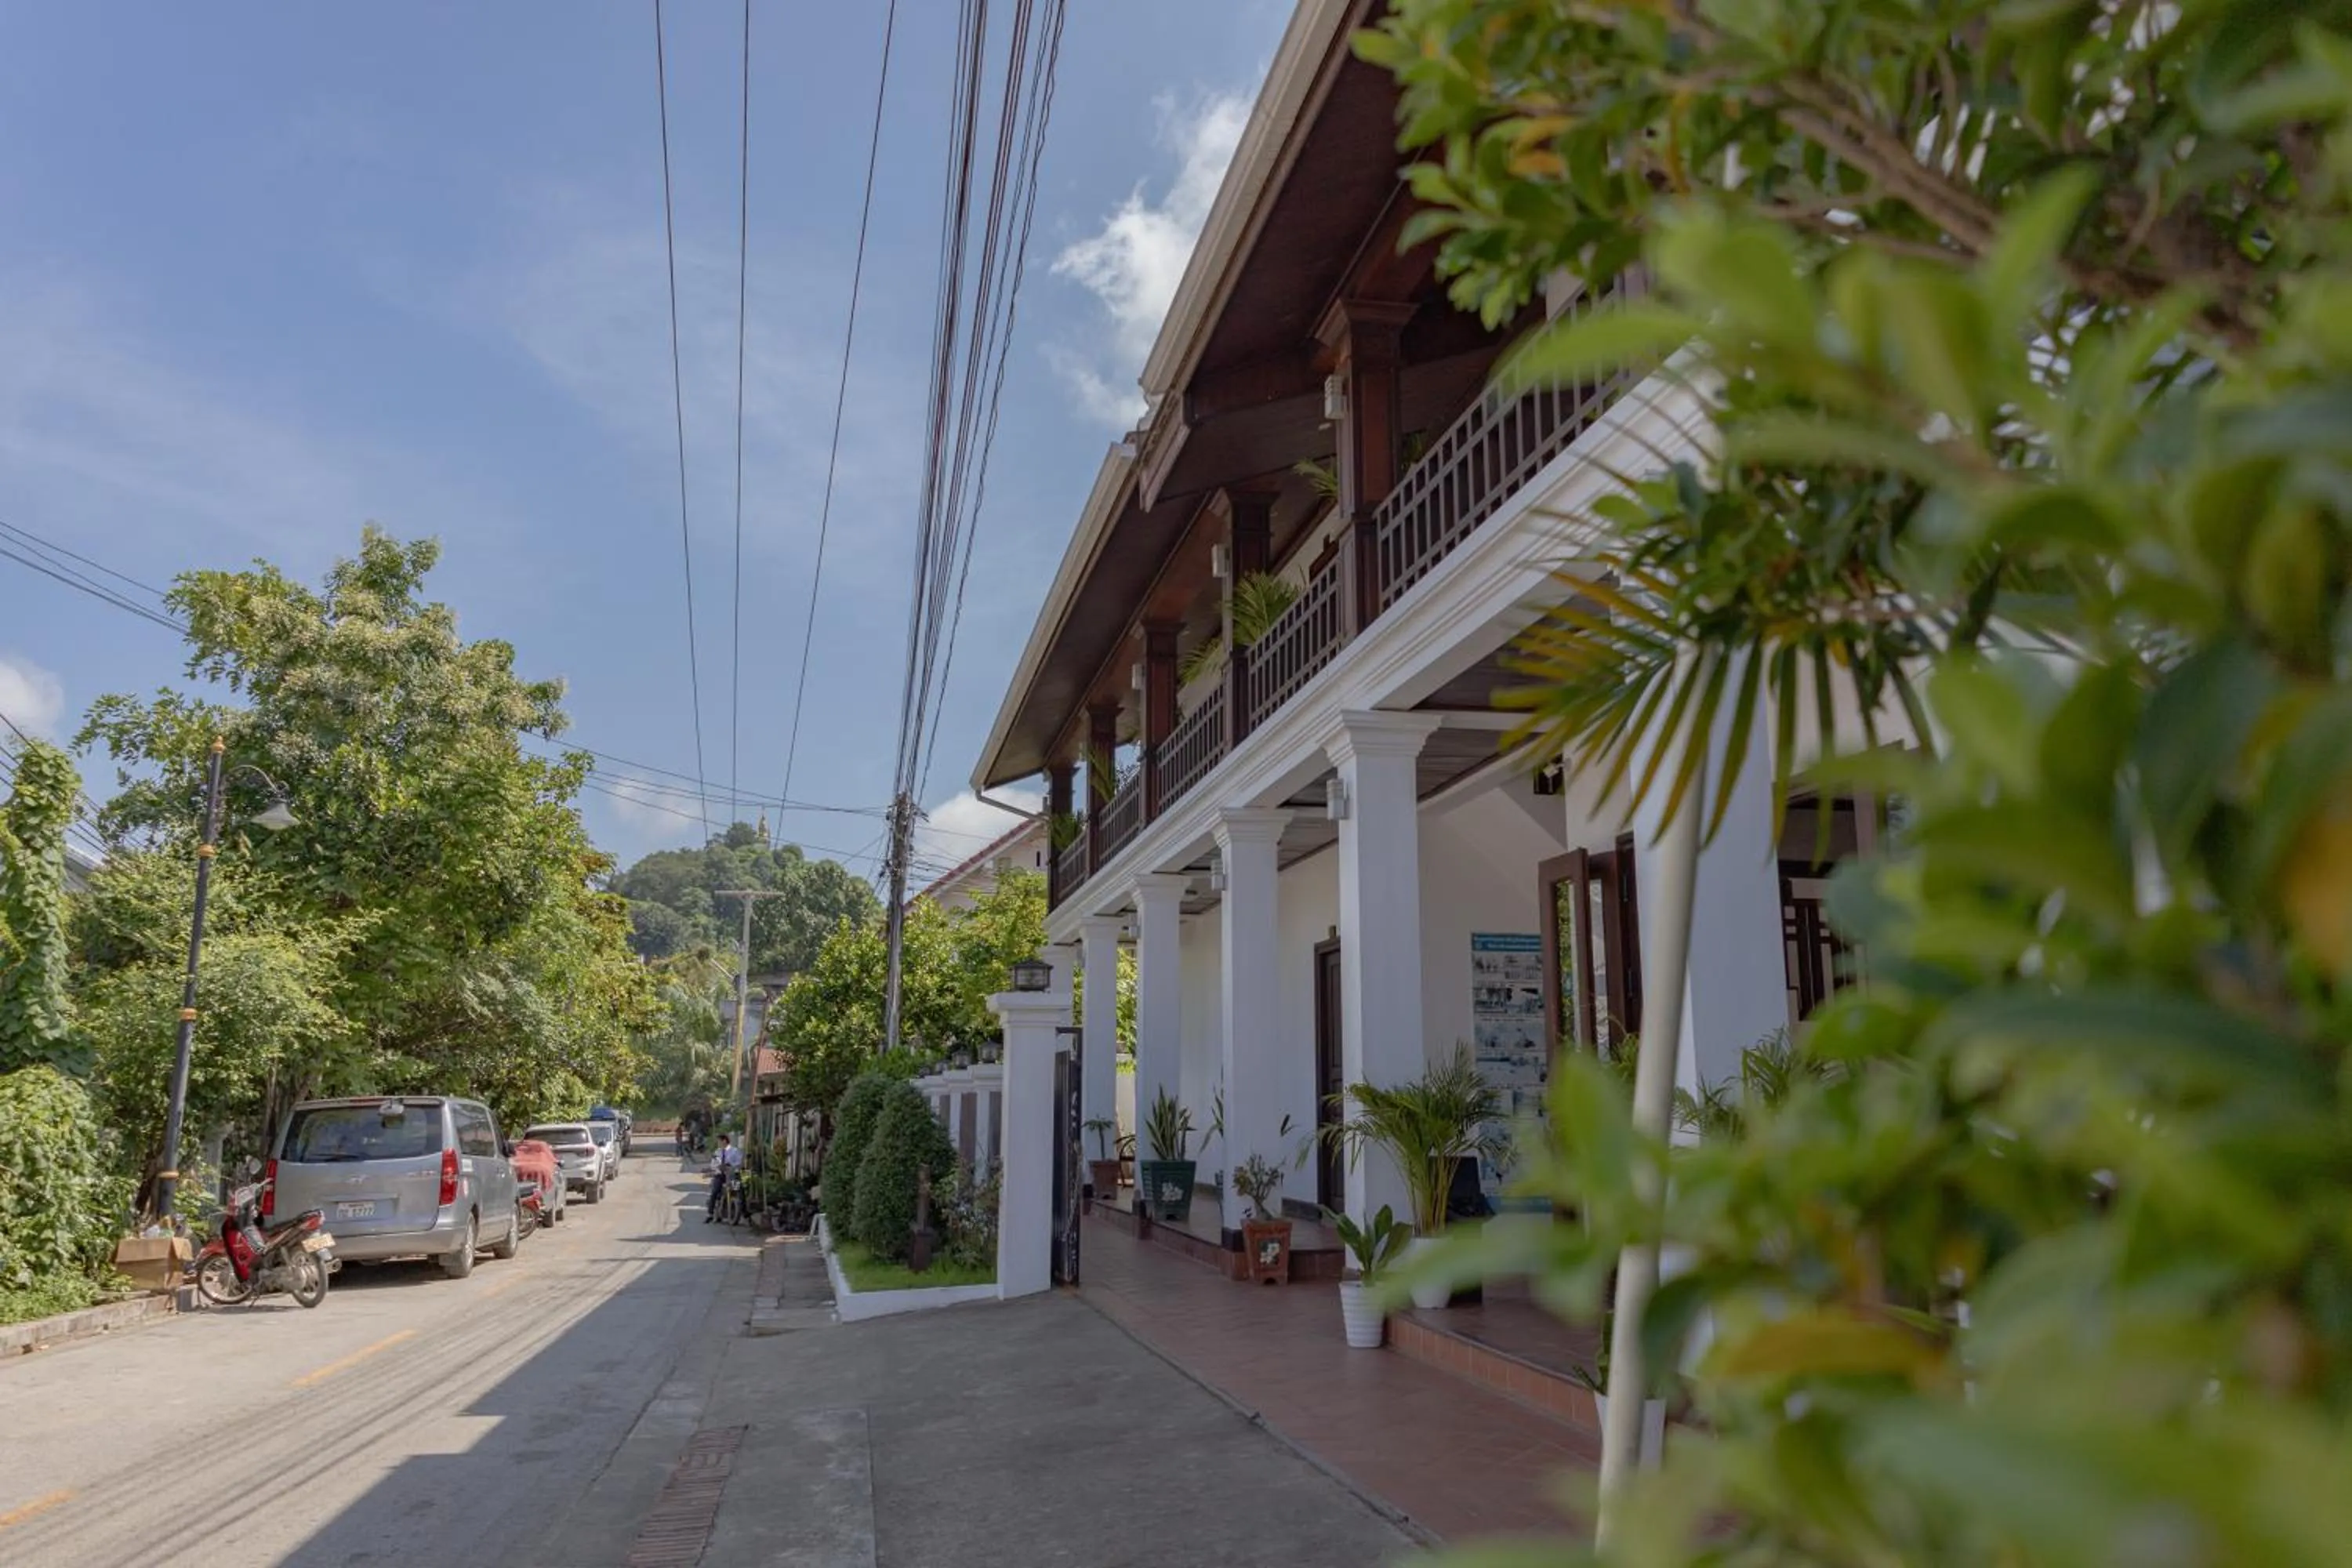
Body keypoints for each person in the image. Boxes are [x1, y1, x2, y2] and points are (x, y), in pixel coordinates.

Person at [705, 1132, 742, 1221]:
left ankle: (743, 1212)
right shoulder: (717, 1152)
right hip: (720, 1175)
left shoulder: (735, 1151)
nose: (718, 1143)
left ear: (725, 1141)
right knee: (715, 1191)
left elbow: (739, 1162)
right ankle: (710, 1213)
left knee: (739, 1190)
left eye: (719, 1141)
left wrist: (731, 1166)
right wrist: (718, 1167)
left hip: (732, 1175)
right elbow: (713, 1164)